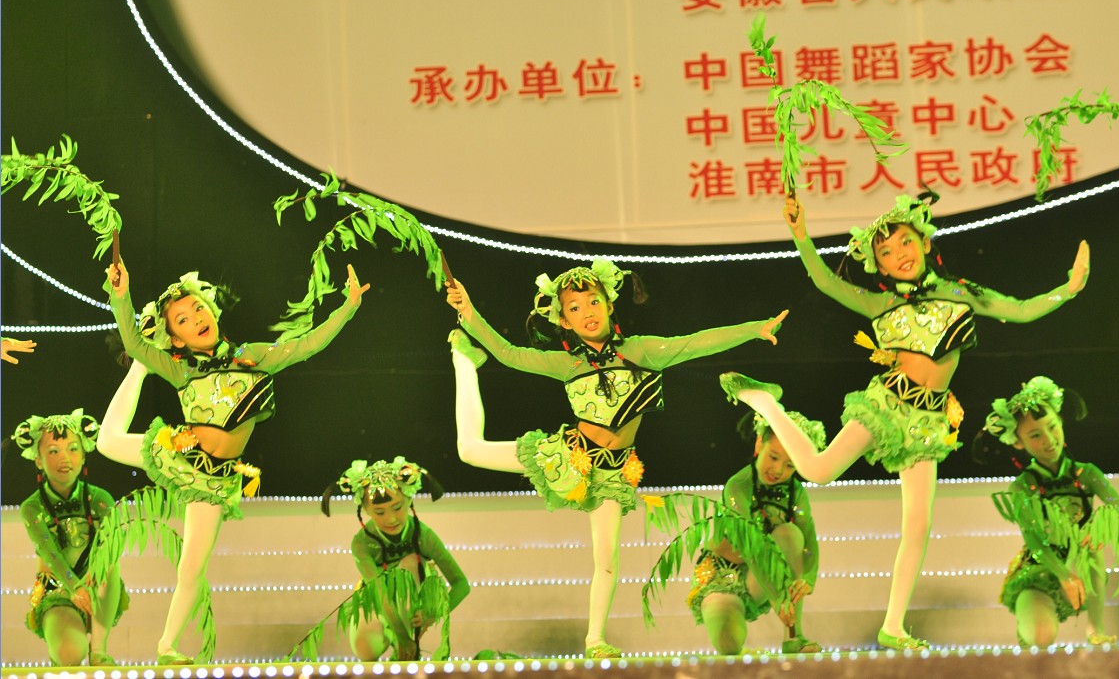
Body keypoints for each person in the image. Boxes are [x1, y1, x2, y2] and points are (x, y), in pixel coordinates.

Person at [721, 192, 1089, 649]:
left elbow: (1019, 308)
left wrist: (1068, 289)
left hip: (929, 421)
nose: (898, 254)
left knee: (918, 526)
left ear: (924, 241)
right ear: (877, 264)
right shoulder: (879, 303)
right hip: (887, 403)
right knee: (818, 470)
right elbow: (824, 281)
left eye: (904, 242)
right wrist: (800, 233)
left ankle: (892, 626)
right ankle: (766, 403)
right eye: (885, 251)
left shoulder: (959, 293)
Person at [446, 258, 788, 658]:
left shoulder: (641, 351)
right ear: (564, 321)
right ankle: (464, 361)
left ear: (609, 305)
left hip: (612, 473)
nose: (587, 312)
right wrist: (468, 312)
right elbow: (509, 354)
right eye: (575, 308)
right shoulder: (568, 364)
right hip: (567, 458)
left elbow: (694, 342)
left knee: (607, 558)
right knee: (469, 450)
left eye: (593, 301)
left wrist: (754, 329)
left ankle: (595, 640)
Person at [97, 260, 368, 664]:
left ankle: (166, 646)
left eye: (198, 308)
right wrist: (121, 296)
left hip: (215, 479)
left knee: (192, 567)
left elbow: (307, 344)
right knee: (107, 442)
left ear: (212, 309)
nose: (196, 319)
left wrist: (348, 307)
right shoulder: (180, 368)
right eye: (182, 320)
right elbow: (135, 343)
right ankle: (124, 398)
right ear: (176, 338)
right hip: (178, 454)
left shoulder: (252, 356)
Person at [982, 376, 1119, 647]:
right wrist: (1063, 576)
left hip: (1081, 568)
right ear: (1018, 442)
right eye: (1035, 435)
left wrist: (1103, 528)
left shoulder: (1086, 474)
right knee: (1041, 636)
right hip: (1040, 573)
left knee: (1090, 549)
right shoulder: (1022, 487)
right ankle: (1028, 635)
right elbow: (1034, 540)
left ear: (1061, 422)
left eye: (1052, 427)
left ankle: (1095, 629)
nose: (1049, 439)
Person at [688, 409, 825, 655]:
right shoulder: (737, 487)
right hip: (723, 577)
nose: (778, 470)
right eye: (773, 457)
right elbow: (752, 549)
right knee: (728, 642)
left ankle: (793, 636)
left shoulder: (796, 492)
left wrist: (809, 578)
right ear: (759, 443)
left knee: (791, 534)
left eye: (790, 465)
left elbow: (808, 540)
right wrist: (777, 596)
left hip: (760, 578)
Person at [321, 457, 469, 661]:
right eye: (379, 512)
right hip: (377, 601)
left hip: (412, 597)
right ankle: (394, 639)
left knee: (409, 564)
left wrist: (433, 615)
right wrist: (400, 637)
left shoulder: (423, 535)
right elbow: (380, 592)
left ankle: (407, 644)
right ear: (366, 510)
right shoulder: (361, 543)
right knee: (365, 648)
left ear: (409, 499)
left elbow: (461, 584)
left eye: (397, 508)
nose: (390, 519)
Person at [15, 410, 129, 667]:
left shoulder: (100, 499)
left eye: (73, 449)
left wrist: (92, 576)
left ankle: (99, 649)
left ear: (84, 454)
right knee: (70, 654)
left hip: (96, 586)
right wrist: (73, 586)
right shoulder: (32, 507)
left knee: (109, 561)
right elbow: (50, 553)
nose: (64, 458)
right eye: (53, 451)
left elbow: (114, 544)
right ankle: (61, 653)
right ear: (38, 460)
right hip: (56, 588)